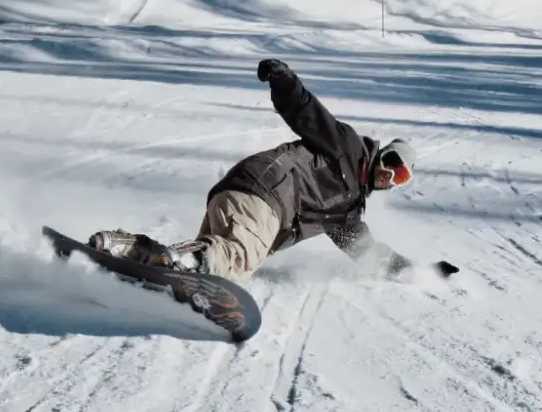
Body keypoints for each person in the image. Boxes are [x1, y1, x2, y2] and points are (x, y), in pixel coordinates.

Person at [89, 58, 424, 283]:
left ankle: (126, 248)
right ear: (383, 154)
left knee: (217, 257)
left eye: (401, 177)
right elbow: (307, 113)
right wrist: (284, 80)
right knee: (238, 258)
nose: (390, 175)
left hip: (242, 194)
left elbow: (366, 252)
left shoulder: (346, 213)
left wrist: (417, 272)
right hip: (266, 196)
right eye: (392, 163)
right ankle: (184, 262)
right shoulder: (348, 147)